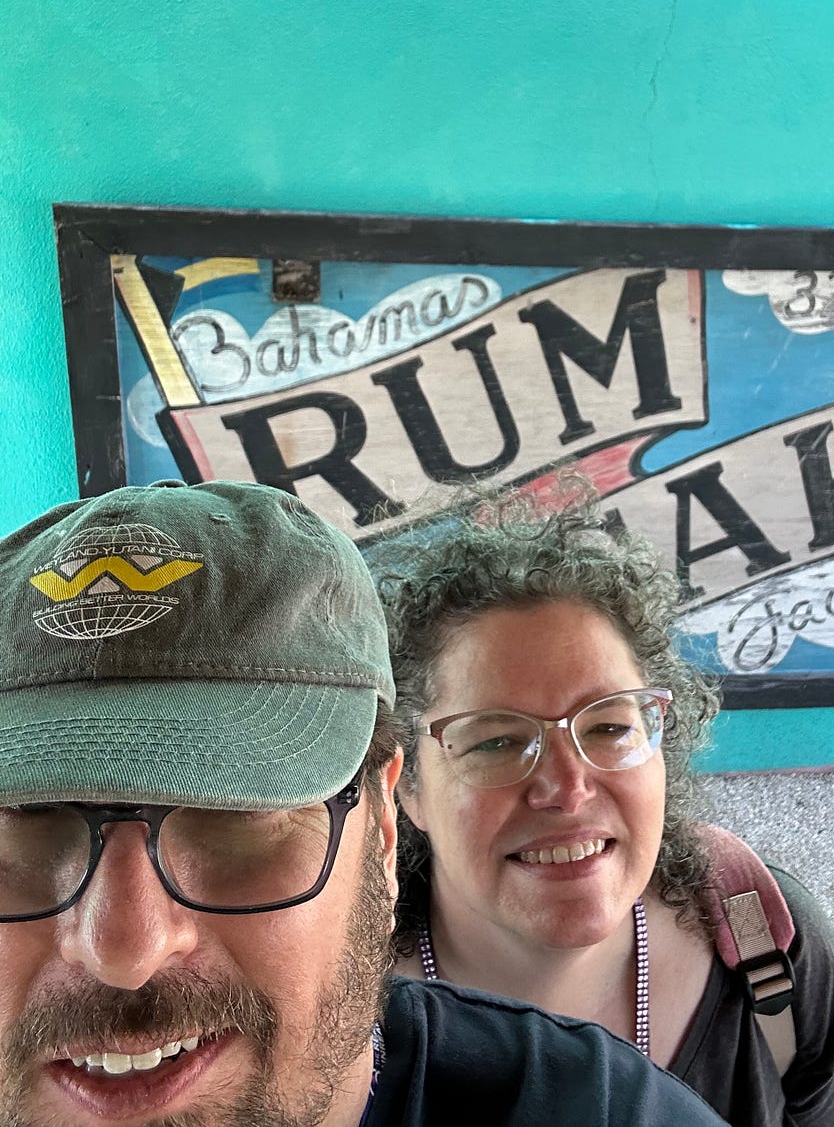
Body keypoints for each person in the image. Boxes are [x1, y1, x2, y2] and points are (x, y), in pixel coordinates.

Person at [0, 479, 728, 1127]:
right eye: (23, 821)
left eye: (240, 812)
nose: (122, 949)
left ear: (380, 829)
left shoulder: (597, 1108)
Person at [374, 490, 834, 1127]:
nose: (568, 787)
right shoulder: (337, 1014)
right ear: (406, 786)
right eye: (495, 740)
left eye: (610, 726)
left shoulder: (764, 943)